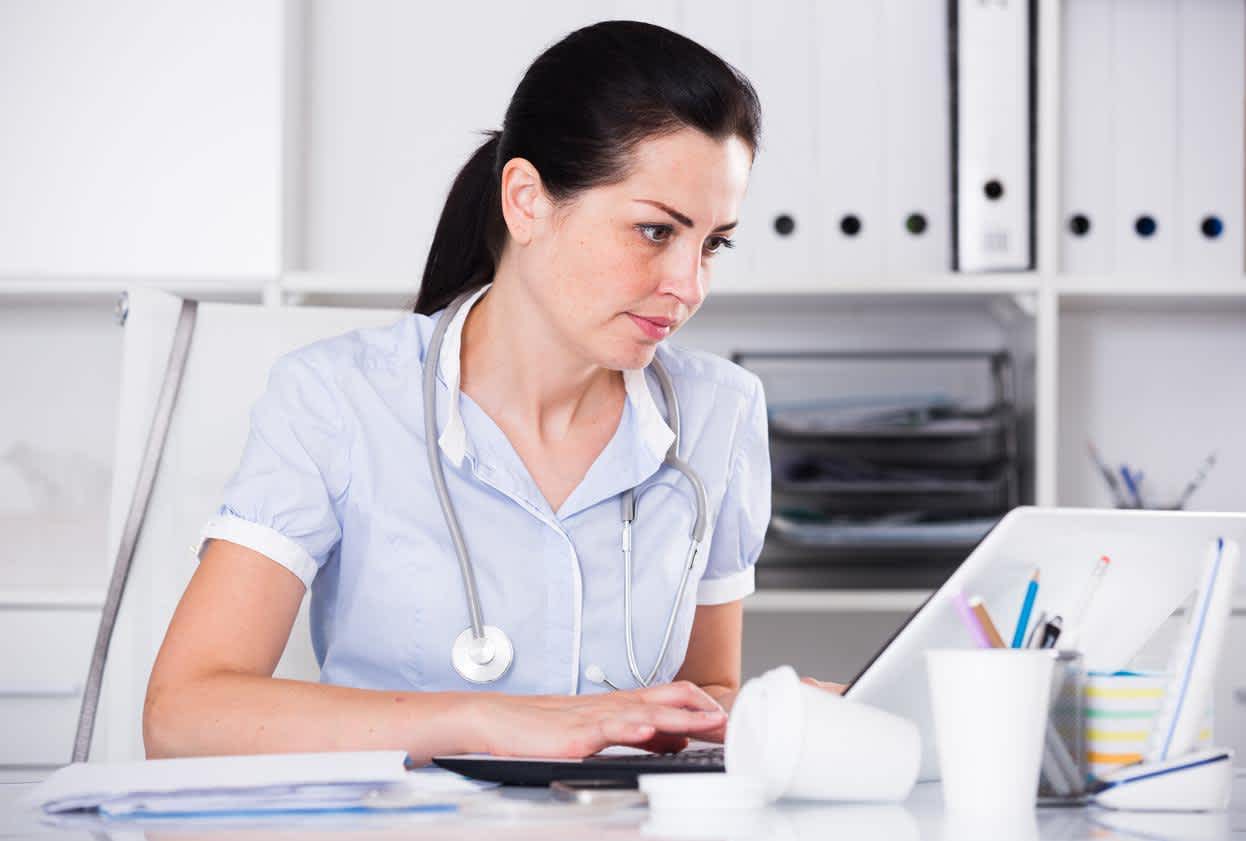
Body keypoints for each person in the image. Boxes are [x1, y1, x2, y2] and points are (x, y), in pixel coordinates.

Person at [144, 19, 837, 765]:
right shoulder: (336, 398)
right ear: (527, 201)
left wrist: (767, 712)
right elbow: (184, 714)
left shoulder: (718, 413)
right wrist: (492, 720)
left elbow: (702, 692)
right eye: (654, 232)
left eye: (713, 243)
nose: (689, 285)